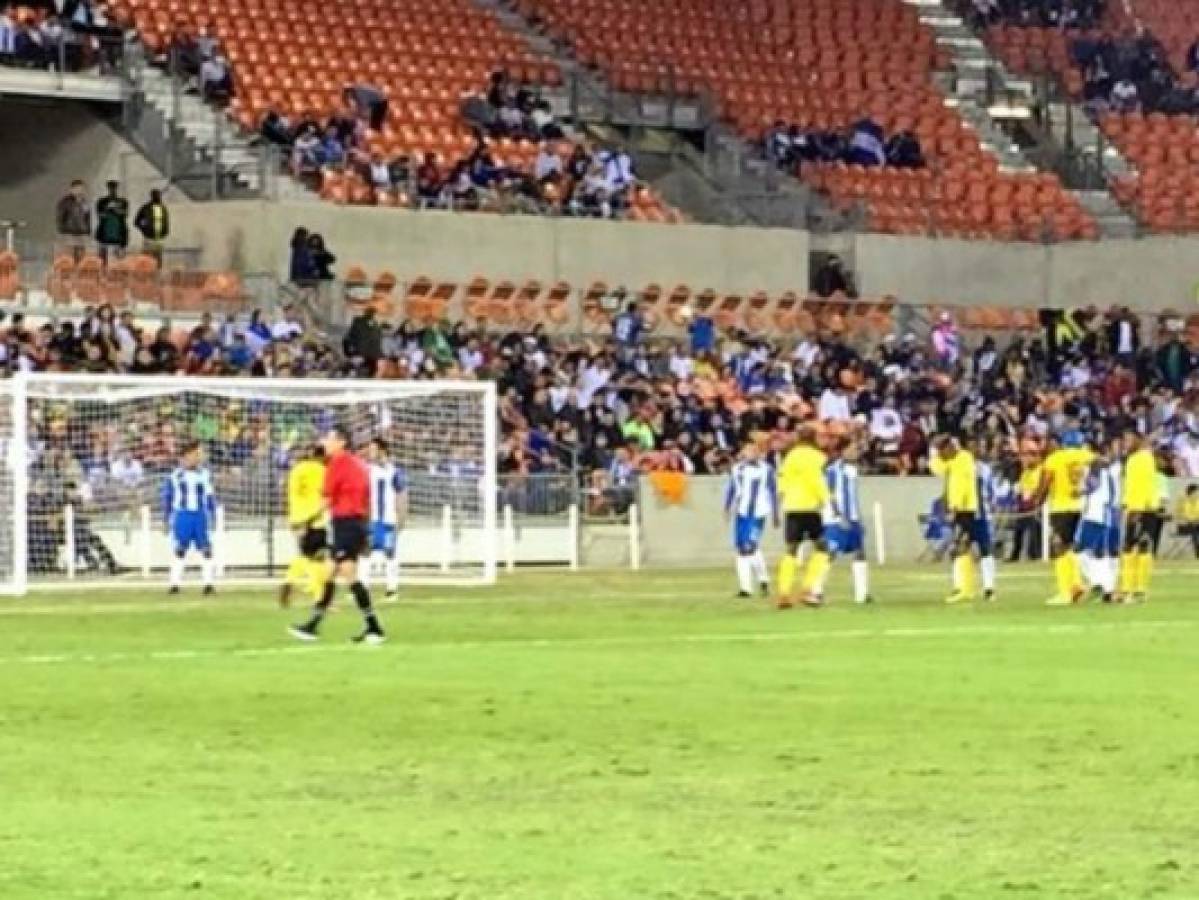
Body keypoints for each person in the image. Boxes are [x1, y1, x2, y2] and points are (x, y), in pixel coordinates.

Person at [290, 426, 385, 644]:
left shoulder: (337, 464)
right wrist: (366, 529)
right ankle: (312, 626)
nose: (325, 442)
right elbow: (366, 500)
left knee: (348, 576)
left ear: (341, 442)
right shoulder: (358, 466)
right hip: (355, 524)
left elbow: (326, 500)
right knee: (329, 574)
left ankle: (374, 628)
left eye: (329, 438)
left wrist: (305, 521)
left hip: (346, 524)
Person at [775, 425, 831, 608]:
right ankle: (807, 589)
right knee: (822, 547)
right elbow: (817, 480)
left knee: (791, 548)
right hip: (810, 506)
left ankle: (784, 593)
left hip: (791, 506)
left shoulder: (790, 457)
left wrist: (781, 499)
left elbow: (782, 481)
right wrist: (827, 500)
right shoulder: (818, 457)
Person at [1038, 434, 1095, 606]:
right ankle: (1076, 584)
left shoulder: (1054, 459)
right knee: (1068, 546)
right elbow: (1101, 461)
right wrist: (1087, 487)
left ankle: (1065, 592)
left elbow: (1046, 482)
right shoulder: (1080, 456)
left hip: (1060, 507)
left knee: (1058, 547)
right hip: (1077, 506)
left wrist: (1038, 500)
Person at [161, 442, 216, 595]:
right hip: (183, 516)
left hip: (200, 515)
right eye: (194, 455)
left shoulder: (205, 474)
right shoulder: (175, 476)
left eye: (198, 455)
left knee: (206, 549)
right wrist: (165, 519)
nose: (197, 458)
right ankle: (174, 584)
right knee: (180, 549)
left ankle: (208, 584)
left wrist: (213, 515)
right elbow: (167, 498)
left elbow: (210, 496)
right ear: (185, 457)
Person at [722, 442, 776, 599]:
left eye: (753, 451)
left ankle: (761, 581)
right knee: (742, 549)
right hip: (742, 513)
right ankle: (747, 587)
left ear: (759, 453)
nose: (750, 454)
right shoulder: (737, 469)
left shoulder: (767, 469)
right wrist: (726, 507)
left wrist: (776, 513)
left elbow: (772, 491)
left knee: (749, 547)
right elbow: (732, 488)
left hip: (758, 513)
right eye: (747, 451)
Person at [929, 436, 980, 605]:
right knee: (960, 547)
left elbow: (960, 486)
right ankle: (964, 587)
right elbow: (938, 469)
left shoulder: (962, 460)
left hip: (964, 508)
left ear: (949, 448)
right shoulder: (957, 459)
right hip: (962, 508)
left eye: (941, 451)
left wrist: (954, 507)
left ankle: (964, 589)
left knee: (962, 546)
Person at [278, 443, 329, 608]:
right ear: (321, 456)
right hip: (314, 519)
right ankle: (319, 598)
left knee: (306, 555)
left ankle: (290, 581)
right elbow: (325, 495)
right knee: (317, 558)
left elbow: (288, 492)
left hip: (296, 518)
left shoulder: (296, 470)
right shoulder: (321, 470)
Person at [824, 441, 872, 604]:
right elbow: (828, 494)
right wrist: (838, 515)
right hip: (837, 518)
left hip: (853, 517)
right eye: (851, 449)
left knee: (860, 552)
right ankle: (816, 589)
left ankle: (862, 594)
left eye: (856, 449)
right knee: (831, 552)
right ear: (842, 451)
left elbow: (852, 496)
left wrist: (858, 518)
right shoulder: (832, 471)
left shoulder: (853, 470)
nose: (855, 452)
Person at [1074, 444, 1121, 603]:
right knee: (1100, 553)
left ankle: (1098, 583)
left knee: (1080, 550)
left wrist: (1078, 489)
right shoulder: (1109, 470)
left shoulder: (1095, 467)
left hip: (1095, 514)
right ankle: (1108, 589)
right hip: (1107, 514)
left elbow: (1089, 487)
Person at [1118, 431, 1160, 603]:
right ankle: (1140, 589)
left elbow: (1139, 485)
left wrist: (1135, 509)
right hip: (1148, 507)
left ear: (1138, 440)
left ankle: (1129, 589)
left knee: (1130, 548)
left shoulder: (1137, 459)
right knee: (1143, 547)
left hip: (1138, 508)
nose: (1126, 443)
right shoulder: (1147, 458)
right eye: (1124, 440)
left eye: (1129, 440)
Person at [365, 438, 408, 602]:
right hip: (373, 520)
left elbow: (401, 496)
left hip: (389, 521)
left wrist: (402, 518)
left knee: (390, 553)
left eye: (373, 449)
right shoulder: (368, 470)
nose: (370, 453)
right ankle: (363, 588)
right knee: (366, 551)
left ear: (382, 451)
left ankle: (392, 590)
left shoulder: (395, 472)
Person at [94, 180, 128, 263]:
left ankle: (117, 271)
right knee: (103, 257)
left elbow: (125, 214)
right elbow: (99, 215)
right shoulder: (102, 201)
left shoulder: (123, 201)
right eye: (111, 188)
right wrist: (107, 209)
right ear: (108, 189)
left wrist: (116, 210)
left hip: (118, 233)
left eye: (114, 188)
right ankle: (104, 271)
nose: (112, 190)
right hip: (104, 233)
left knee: (119, 258)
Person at [56, 179, 91, 258]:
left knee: (82, 255)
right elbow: (60, 217)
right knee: (70, 255)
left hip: (82, 233)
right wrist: (62, 231)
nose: (80, 191)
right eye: (77, 189)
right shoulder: (65, 202)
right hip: (69, 233)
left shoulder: (85, 202)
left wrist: (88, 231)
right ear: (71, 189)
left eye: (82, 189)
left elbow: (87, 218)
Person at [134, 189, 170, 262]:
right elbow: (137, 222)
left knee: (158, 257)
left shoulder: (163, 208)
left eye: (158, 195)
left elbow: (166, 220)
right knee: (147, 257)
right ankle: (146, 271)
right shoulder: (145, 208)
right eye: (155, 195)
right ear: (152, 196)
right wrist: (144, 229)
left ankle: (158, 271)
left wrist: (165, 231)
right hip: (149, 237)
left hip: (160, 237)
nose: (157, 197)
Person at [1176, 485, 1199, 558]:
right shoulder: (1182, 500)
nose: (1197, 494)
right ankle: (1197, 551)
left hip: (1195, 525)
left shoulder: (1197, 502)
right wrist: (1189, 520)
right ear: (1191, 492)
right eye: (1196, 492)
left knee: (1195, 528)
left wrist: (1196, 520)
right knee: (1194, 529)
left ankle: (1197, 550)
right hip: (1183, 526)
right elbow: (1178, 514)